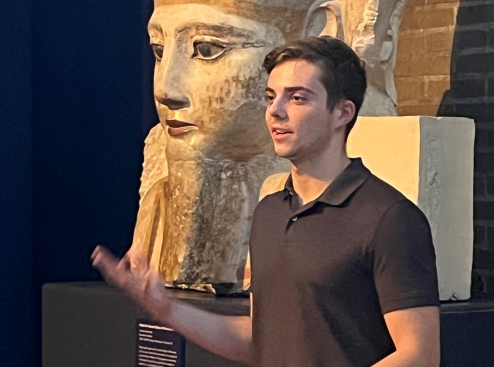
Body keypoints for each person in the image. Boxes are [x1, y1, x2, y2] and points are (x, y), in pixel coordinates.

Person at [92, 36, 440, 367]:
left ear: (342, 113)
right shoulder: (270, 213)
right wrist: (164, 308)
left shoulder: (389, 217)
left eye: (297, 98)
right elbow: (258, 337)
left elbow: (419, 355)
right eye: (271, 96)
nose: (275, 111)